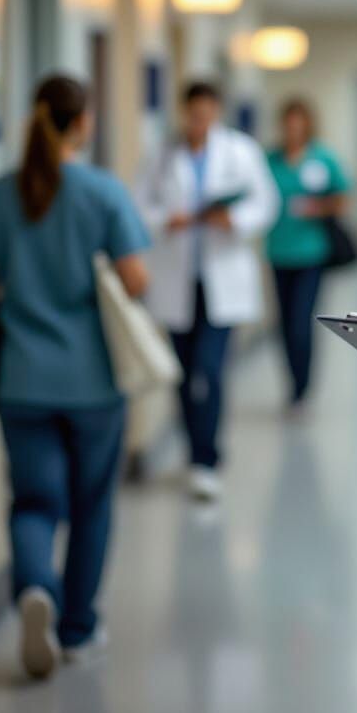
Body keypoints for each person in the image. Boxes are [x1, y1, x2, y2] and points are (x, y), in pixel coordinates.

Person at [0, 74, 151, 679]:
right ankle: (76, 629)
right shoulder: (102, 192)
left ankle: (35, 587)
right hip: (93, 381)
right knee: (91, 506)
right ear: (82, 123)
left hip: (21, 379)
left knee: (34, 502)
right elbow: (136, 279)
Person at [136, 81, 278, 500]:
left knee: (210, 369)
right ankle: (195, 448)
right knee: (182, 374)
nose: (199, 121)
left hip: (223, 281)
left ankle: (206, 459)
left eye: (206, 113)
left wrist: (234, 220)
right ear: (184, 112)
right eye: (193, 114)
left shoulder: (240, 152)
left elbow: (265, 203)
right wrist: (166, 219)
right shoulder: (161, 154)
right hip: (178, 280)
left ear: (216, 112)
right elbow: (139, 205)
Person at [264, 99, 351, 409]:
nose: (293, 129)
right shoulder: (269, 160)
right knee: (284, 324)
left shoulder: (322, 158)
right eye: (288, 122)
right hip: (278, 252)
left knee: (301, 322)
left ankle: (302, 387)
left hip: (311, 253)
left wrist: (318, 207)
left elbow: (343, 199)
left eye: (298, 122)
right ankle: (292, 382)